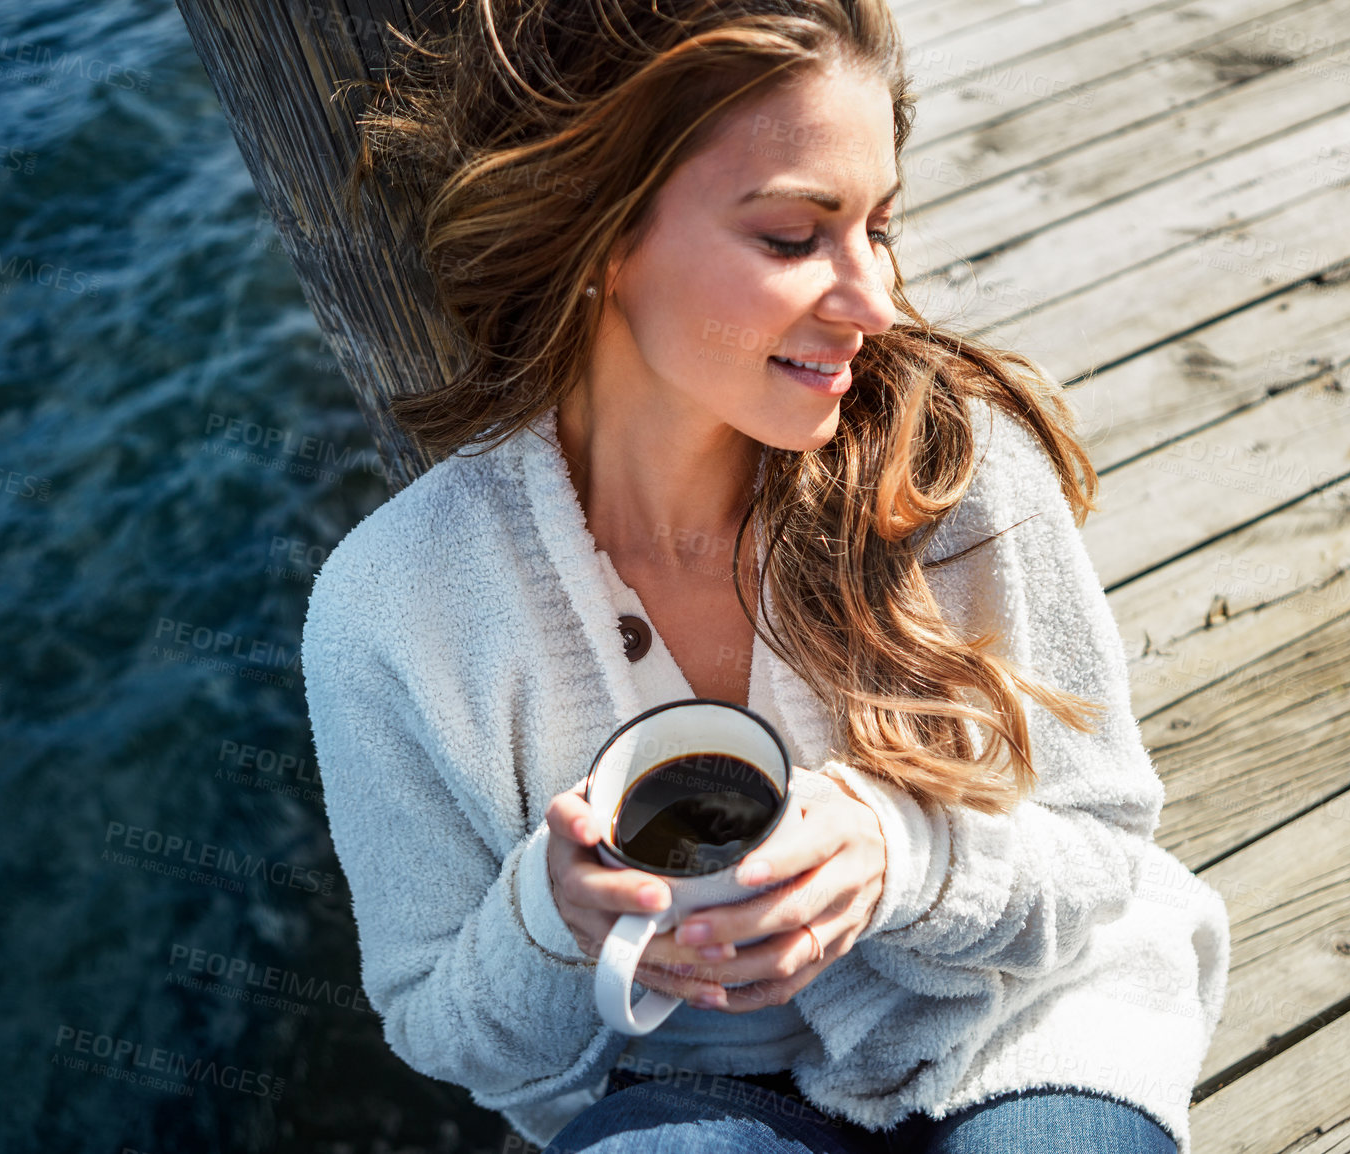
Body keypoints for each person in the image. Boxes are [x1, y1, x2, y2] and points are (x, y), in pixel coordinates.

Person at [303, 0, 1231, 1150]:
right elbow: (442, 1028)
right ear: (599, 241)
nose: (875, 303)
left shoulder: (957, 468)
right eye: (796, 238)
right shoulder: (389, 607)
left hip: (1011, 1020)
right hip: (677, 1088)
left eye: (877, 225)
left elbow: (1103, 847)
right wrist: (553, 912)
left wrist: (906, 856)